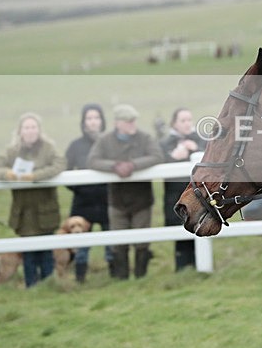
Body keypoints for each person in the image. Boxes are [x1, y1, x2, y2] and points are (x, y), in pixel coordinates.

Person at [87, 104, 163, 279]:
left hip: (141, 198)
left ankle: (140, 276)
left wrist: (133, 165)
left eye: (133, 121)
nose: (132, 124)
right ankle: (121, 277)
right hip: (117, 199)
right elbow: (92, 160)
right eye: (128, 121)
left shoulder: (144, 138)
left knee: (142, 242)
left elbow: (157, 155)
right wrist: (114, 166)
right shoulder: (105, 140)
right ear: (117, 123)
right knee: (118, 242)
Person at [0, 113, 66, 288]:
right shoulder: (11, 151)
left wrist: (35, 176)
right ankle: (31, 286)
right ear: (20, 131)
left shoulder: (49, 148)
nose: (30, 131)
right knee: (29, 253)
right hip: (23, 211)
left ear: (39, 130)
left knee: (47, 251)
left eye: (34, 127)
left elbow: (59, 164)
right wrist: (7, 174)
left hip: (46, 209)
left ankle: (48, 285)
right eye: (27, 127)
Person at [65, 103, 111, 283]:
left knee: (111, 244)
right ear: (84, 122)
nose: (93, 122)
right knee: (82, 247)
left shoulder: (110, 143)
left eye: (96, 118)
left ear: (102, 121)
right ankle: (80, 279)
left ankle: (115, 277)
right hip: (83, 204)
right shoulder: (75, 146)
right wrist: (81, 189)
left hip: (108, 201)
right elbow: (66, 172)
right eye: (89, 118)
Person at [159, 107, 204, 271]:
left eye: (189, 120)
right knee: (178, 231)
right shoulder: (166, 143)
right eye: (182, 121)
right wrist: (173, 158)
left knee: (197, 227)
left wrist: (196, 150)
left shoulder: (199, 140)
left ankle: (199, 265)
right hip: (174, 195)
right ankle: (181, 267)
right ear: (174, 123)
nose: (187, 124)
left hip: (197, 196)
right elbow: (159, 162)